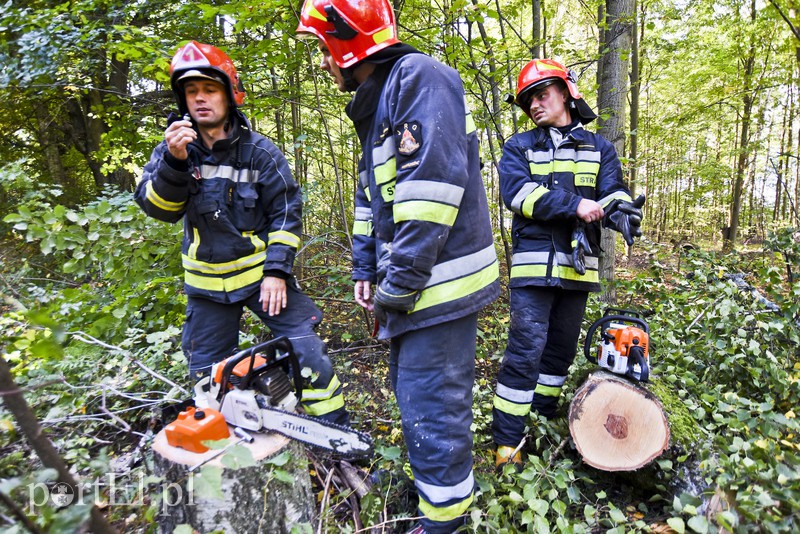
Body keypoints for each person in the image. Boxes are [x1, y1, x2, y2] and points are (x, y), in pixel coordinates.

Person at [297, 2, 500, 532]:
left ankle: (445, 519)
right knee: (415, 395)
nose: (322, 62)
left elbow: (431, 194)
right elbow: (373, 200)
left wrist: (399, 285)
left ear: (347, 42)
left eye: (323, 48)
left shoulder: (420, 79)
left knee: (431, 400)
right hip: (412, 286)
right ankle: (435, 490)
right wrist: (366, 270)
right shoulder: (380, 100)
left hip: (437, 285)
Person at [134, 41, 350, 426]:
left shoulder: (259, 153)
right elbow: (159, 209)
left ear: (229, 94)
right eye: (192, 91)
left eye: (209, 89)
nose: (200, 99)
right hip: (206, 289)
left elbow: (286, 212)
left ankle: (338, 436)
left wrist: (277, 272)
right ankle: (229, 448)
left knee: (307, 352)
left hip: (258, 279)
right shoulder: (172, 150)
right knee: (207, 378)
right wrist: (174, 163)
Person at [491, 58, 643, 467]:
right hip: (533, 270)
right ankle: (507, 442)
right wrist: (576, 204)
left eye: (542, 95)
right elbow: (520, 196)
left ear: (566, 94)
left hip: (578, 269)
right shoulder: (519, 147)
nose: (535, 106)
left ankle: (537, 429)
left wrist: (622, 210)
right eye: (528, 101)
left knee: (558, 355)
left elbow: (610, 193)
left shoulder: (600, 148)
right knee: (525, 352)